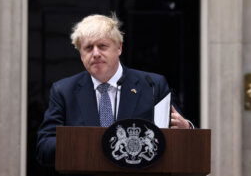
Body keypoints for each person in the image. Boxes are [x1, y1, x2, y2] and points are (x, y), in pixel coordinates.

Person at [36, 14, 192, 167]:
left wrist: (187, 129)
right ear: (81, 53)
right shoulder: (64, 91)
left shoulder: (152, 85)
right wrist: (83, 141)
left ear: (119, 48)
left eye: (102, 46)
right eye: (88, 48)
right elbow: (44, 148)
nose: (96, 54)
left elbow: (179, 139)